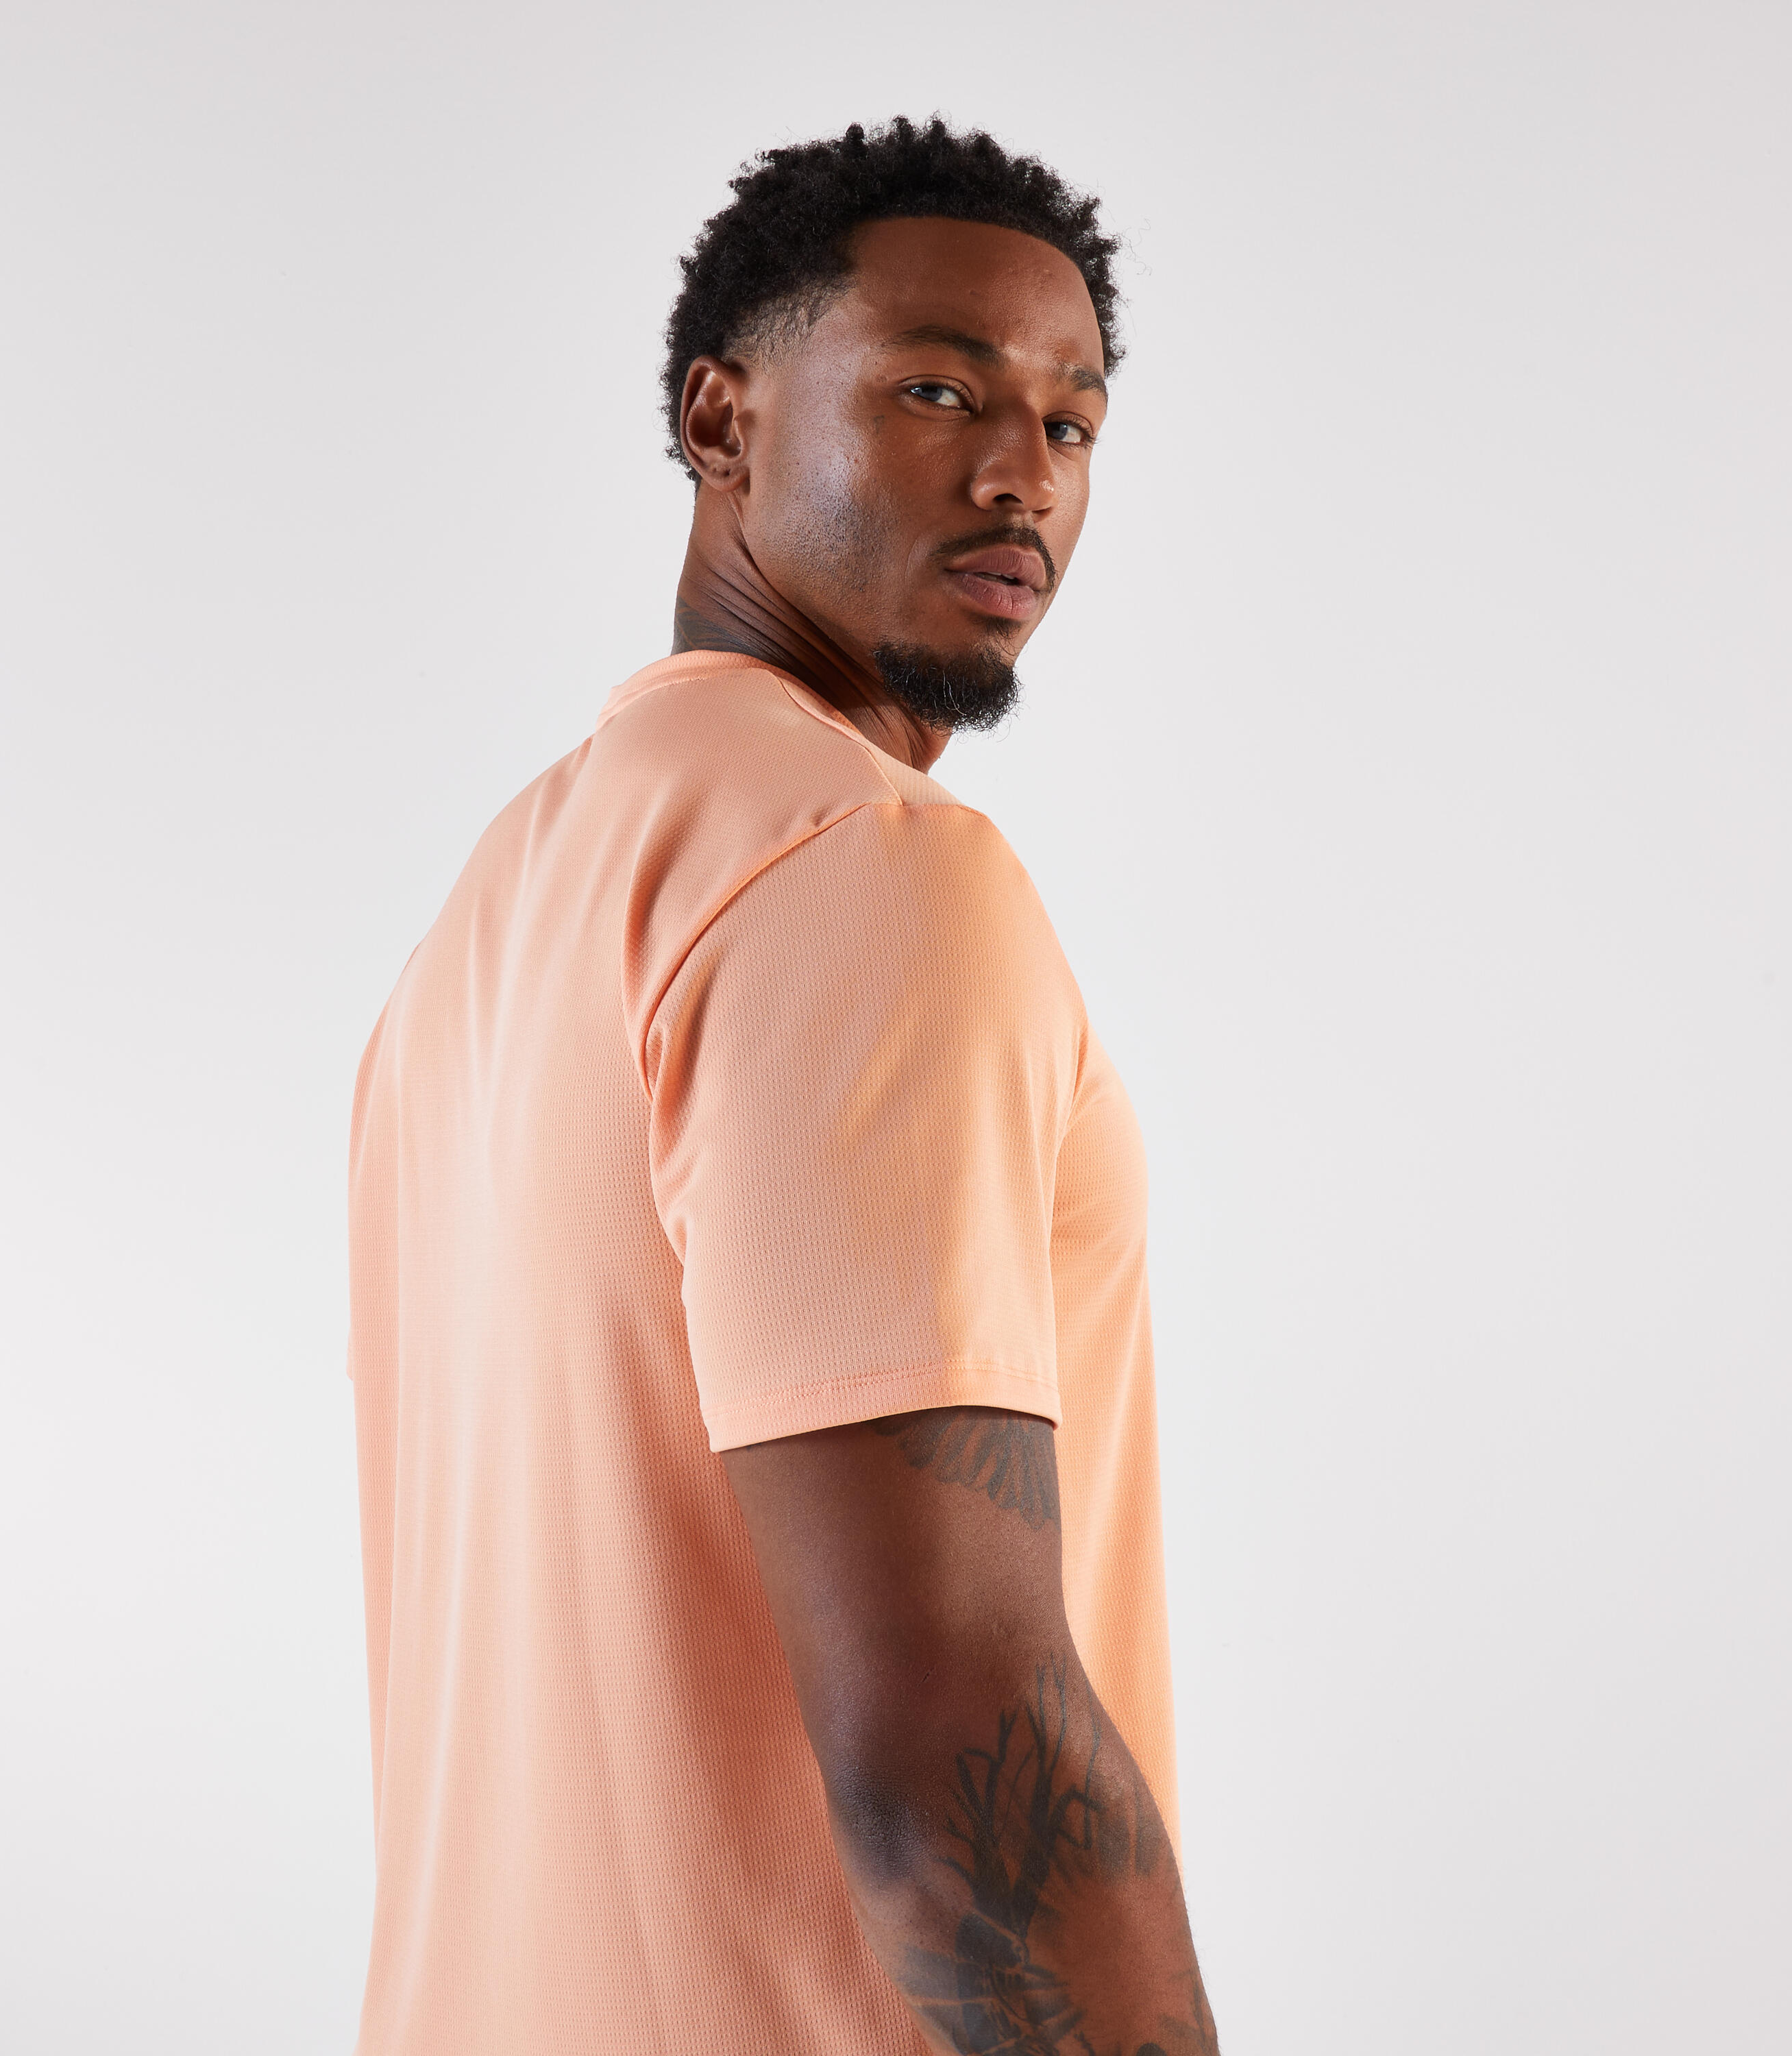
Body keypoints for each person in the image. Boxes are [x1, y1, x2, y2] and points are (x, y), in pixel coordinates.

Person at [344, 116, 1218, 2055]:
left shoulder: (491, 921)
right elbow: (960, 1767)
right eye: (939, 389)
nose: (1023, 473)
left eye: (1072, 421)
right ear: (720, 420)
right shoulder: (857, 867)